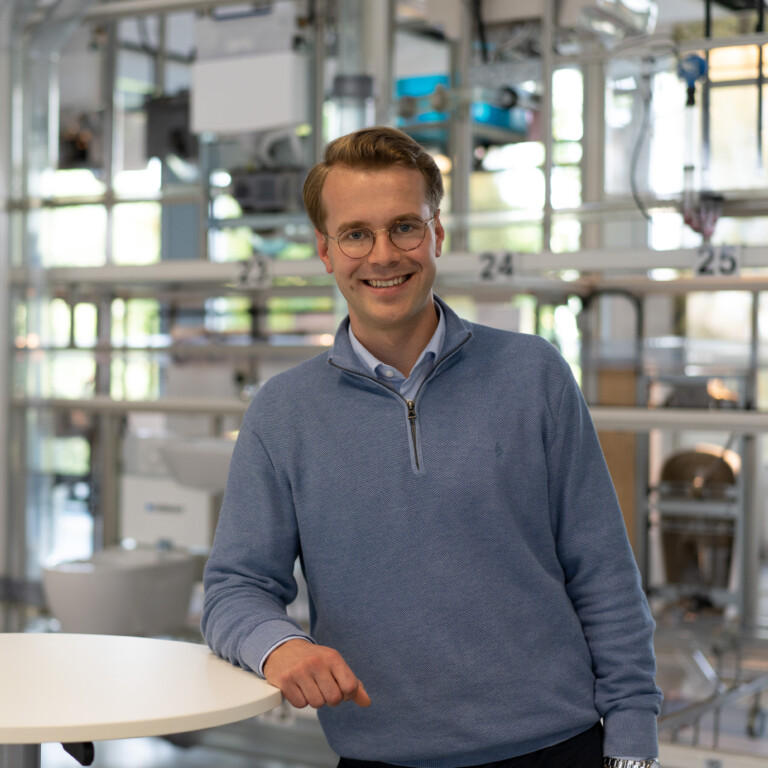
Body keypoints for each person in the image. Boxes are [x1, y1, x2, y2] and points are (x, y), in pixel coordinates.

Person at [201, 126, 663, 768]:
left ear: (437, 234)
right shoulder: (284, 412)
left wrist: (635, 741)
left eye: (405, 227)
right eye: (356, 234)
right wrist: (279, 646)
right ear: (326, 252)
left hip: (559, 746)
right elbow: (235, 587)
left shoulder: (533, 374)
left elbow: (604, 572)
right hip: (381, 755)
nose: (383, 254)